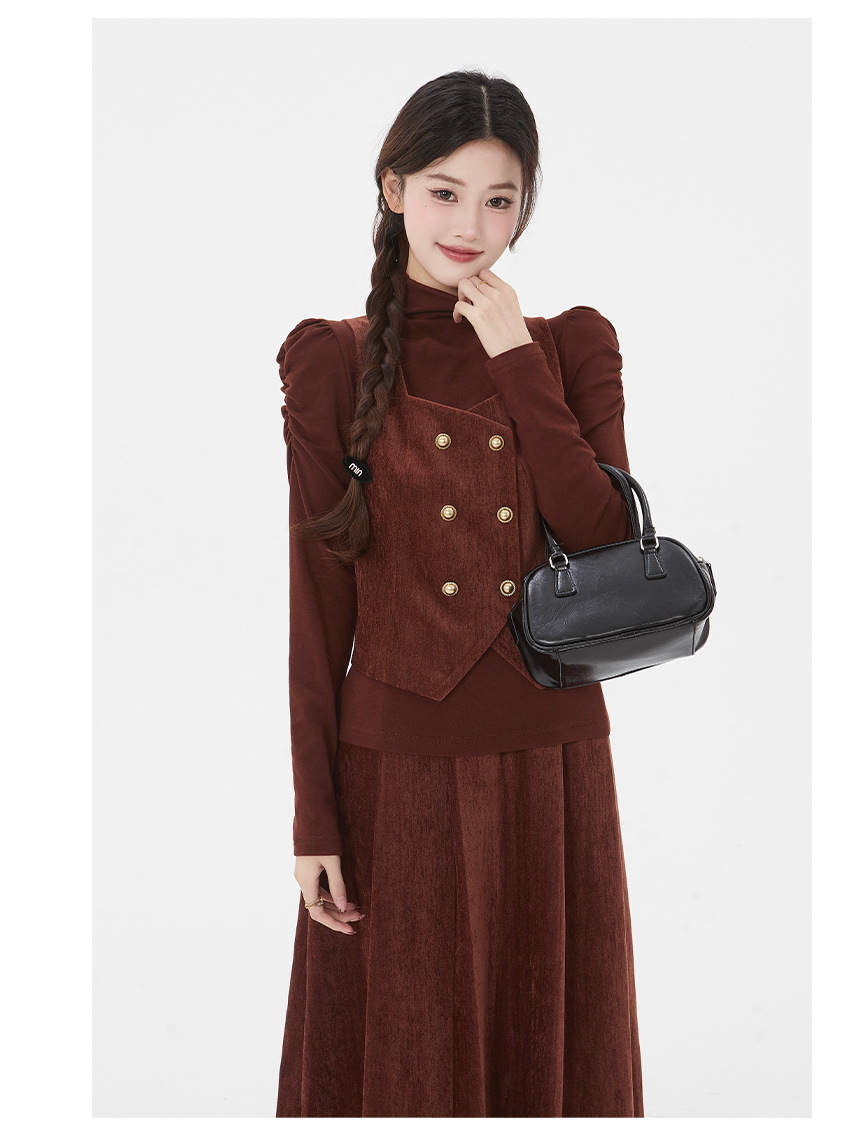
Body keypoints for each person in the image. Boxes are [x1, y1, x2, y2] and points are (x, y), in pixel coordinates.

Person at [274, 69, 644, 1119]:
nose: (470, 226)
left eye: (499, 199)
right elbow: (316, 605)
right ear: (393, 189)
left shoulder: (571, 345)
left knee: (545, 1045)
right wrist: (314, 814)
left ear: (525, 206)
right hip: (394, 771)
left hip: (552, 763)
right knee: (401, 1061)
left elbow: (605, 541)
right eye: (444, 192)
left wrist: (517, 358)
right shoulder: (332, 360)